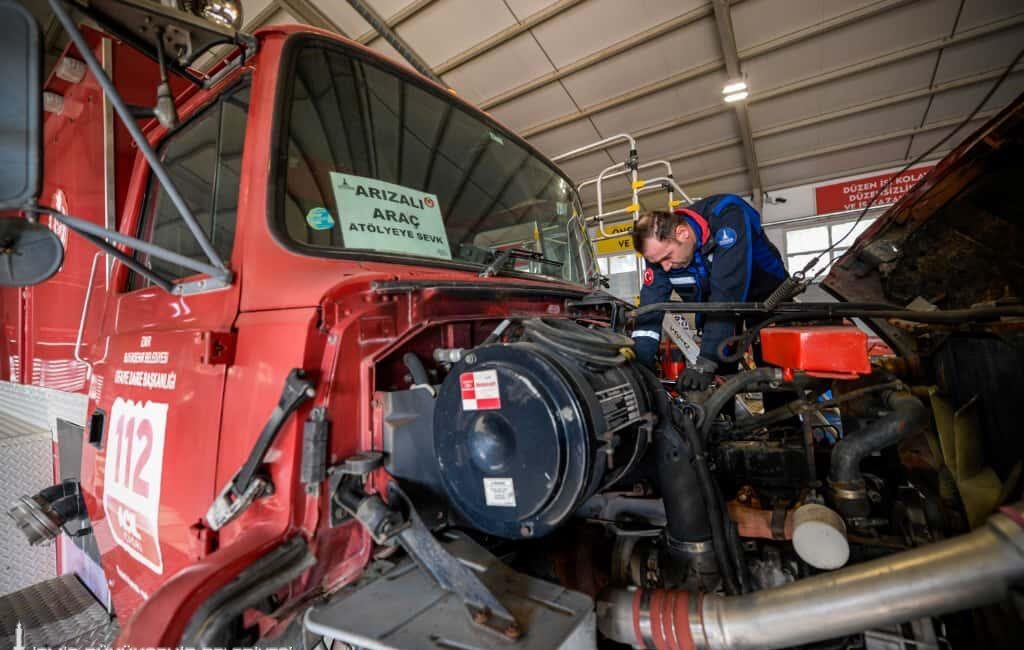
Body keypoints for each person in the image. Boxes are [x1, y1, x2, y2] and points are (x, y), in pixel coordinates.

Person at [631, 195, 789, 390]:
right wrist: (640, 365)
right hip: (716, 305)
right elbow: (650, 308)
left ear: (682, 233)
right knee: (720, 369)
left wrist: (705, 363)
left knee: (772, 365)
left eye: (667, 257)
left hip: (766, 294)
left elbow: (726, 292)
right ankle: (724, 419)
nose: (664, 268)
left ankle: (783, 420)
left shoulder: (726, 215)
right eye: (657, 262)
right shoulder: (659, 252)